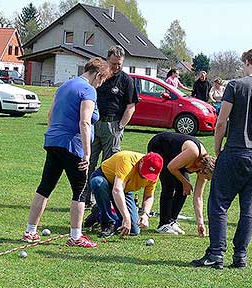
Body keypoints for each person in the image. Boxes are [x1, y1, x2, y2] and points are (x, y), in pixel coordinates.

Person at [191, 47, 252, 269]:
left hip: (235, 150)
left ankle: (216, 254)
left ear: (248, 62)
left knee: (219, 204)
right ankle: (240, 256)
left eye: (243, 64)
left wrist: (217, 147)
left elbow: (221, 122)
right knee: (248, 210)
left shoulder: (236, 86)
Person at [21, 57, 110, 248]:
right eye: (102, 80)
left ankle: (30, 231)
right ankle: (76, 236)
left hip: (53, 141)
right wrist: (87, 154)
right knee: (79, 191)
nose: (100, 84)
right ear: (98, 74)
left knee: (45, 187)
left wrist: (55, 134)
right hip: (73, 145)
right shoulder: (88, 90)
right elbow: (85, 122)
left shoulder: (64, 86)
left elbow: (51, 114)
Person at [85, 45, 139, 208]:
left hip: (113, 125)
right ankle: (85, 197)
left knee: (109, 166)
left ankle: (104, 200)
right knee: (88, 161)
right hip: (94, 124)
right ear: (107, 60)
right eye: (113, 63)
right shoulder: (99, 77)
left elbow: (131, 106)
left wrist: (120, 126)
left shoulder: (126, 80)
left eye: (119, 64)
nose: (116, 67)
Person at [147, 132, 215, 236]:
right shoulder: (193, 153)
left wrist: (200, 223)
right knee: (169, 185)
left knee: (184, 190)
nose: (205, 179)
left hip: (176, 157)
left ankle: (171, 221)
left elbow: (198, 197)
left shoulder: (204, 169)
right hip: (160, 146)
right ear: (201, 168)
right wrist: (185, 182)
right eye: (205, 176)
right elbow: (171, 167)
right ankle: (163, 224)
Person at [90, 151, 163, 237]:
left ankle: (98, 214)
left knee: (134, 229)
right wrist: (126, 217)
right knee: (98, 183)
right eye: (145, 170)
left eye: (149, 174)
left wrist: (145, 215)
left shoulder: (154, 173)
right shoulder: (127, 161)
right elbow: (117, 190)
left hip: (124, 189)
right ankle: (107, 223)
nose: (145, 176)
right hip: (106, 179)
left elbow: (149, 196)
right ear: (142, 161)